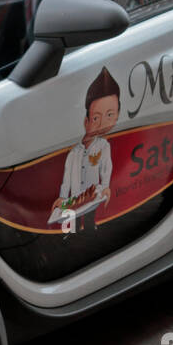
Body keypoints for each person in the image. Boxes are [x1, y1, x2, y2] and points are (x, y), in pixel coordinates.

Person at [52, 67, 120, 234]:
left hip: (92, 194)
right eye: (96, 118)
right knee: (73, 223)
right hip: (75, 197)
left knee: (89, 221)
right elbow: (66, 178)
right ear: (86, 121)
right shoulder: (73, 152)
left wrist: (105, 186)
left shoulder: (103, 146)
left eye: (110, 115)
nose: (102, 123)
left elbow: (106, 167)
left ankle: (90, 232)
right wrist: (62, 196)